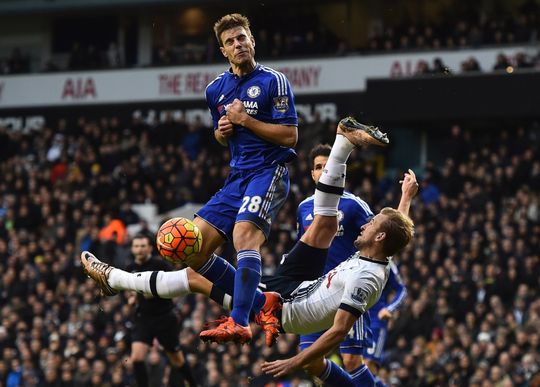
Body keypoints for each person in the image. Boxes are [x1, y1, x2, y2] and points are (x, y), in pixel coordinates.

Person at [82, 117, 414, 387]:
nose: (364, 227)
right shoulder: (368, 251)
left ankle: (116, 279)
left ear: (378, 235)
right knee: (324, 227)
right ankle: (343, 141)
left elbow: (339, 329)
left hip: (285, 309)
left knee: (197, 275)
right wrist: (405, 203)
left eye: (372, 227)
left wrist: (290, 363)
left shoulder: (366, 273)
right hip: (299, 282)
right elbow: (394, 236)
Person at [184, 13, 298, 344]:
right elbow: (224, 136)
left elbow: (290, 136)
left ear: (253, 41)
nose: (239, 44)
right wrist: (222, 132)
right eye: (231, 41)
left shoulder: (274, 81)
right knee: (193, 250)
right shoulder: (214, 89)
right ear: (223, 50)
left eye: (243, 38)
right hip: (237, 178)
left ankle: (239, 321)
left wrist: (245, 119)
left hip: (269, 170)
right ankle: (263, 302)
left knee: (243, 234)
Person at [295, 143, 375, 374]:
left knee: (351, 362)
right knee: (309, 361)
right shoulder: (303, 208)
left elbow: (374, 240)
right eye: (318, 167)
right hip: (315, 293)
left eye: (327, 166)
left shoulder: (354, 205)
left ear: (339, 170)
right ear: (312, 174)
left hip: (348, 292)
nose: (323, 171)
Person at [125, 235, 197, 387]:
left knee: (177, 359)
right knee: (136, 358)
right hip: (143, 318)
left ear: (150, 248)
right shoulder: (129, 268)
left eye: (143, 246)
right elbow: (129, 291)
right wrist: (132, 298)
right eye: (136, 246)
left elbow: (174, 285)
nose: (140, 249)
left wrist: (153, 291)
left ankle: (193, 383)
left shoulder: (160, 264)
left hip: (164, 317)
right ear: (132, 249)